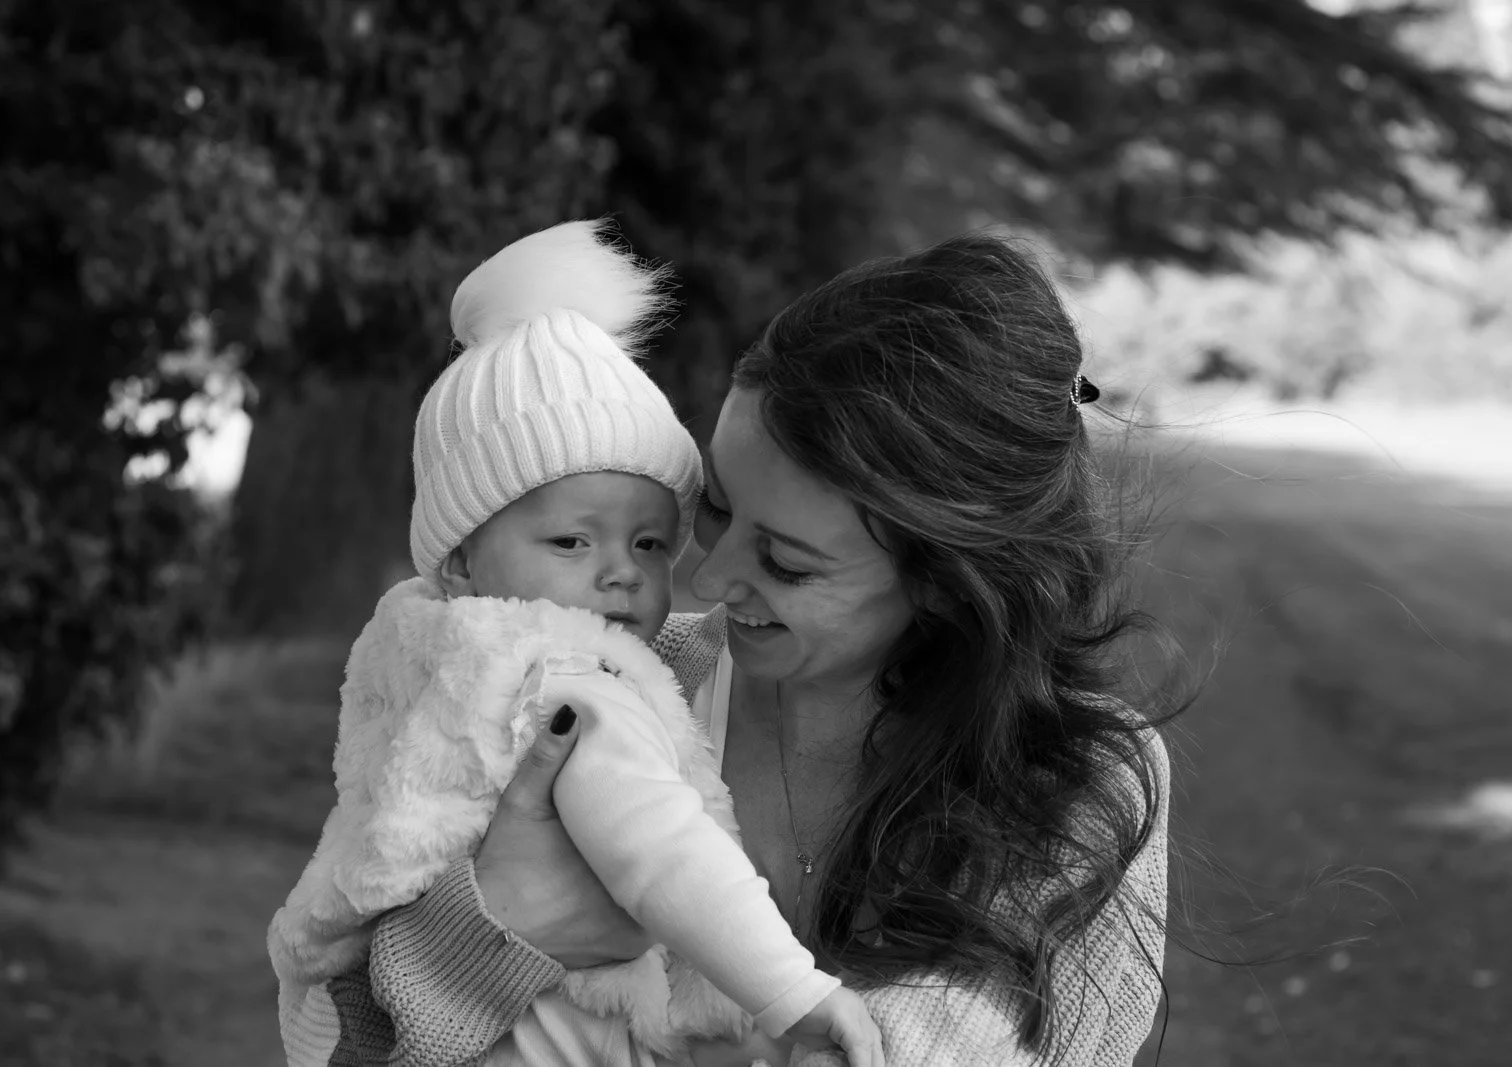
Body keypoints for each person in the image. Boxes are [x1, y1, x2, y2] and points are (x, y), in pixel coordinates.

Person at [286, 231, 1172, 1067]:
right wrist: (491, 928)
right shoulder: (597, 683)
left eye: (785, 560)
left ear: (944, 580)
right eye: (713, 508)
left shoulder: (1073, 783)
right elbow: (338, 1032)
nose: (708, 578)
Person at [267, 221, 884, 1067]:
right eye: (571, 543)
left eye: (650, 543)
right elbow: (663, 848)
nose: (622, 576)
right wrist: (797, 991)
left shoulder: (421, 650)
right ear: (460, 560)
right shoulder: (564, 677)